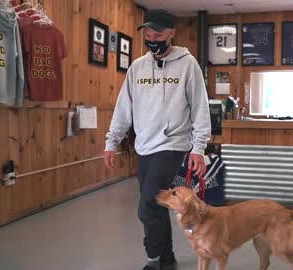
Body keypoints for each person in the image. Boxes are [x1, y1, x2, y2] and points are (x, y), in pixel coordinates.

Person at [103, 9, 211, 270]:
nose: (152, 39)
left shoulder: (187, 64)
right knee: (160, 201)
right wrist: (111, 141)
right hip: (144, 147)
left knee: (148, 205)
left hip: (173, 144)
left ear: (171, 34)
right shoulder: (137, 67)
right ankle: (167, 257)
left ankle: (153, 260)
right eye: (148, 35)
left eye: (158, 34)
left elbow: (200, 107)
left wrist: (199, 148)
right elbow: (123, 108)